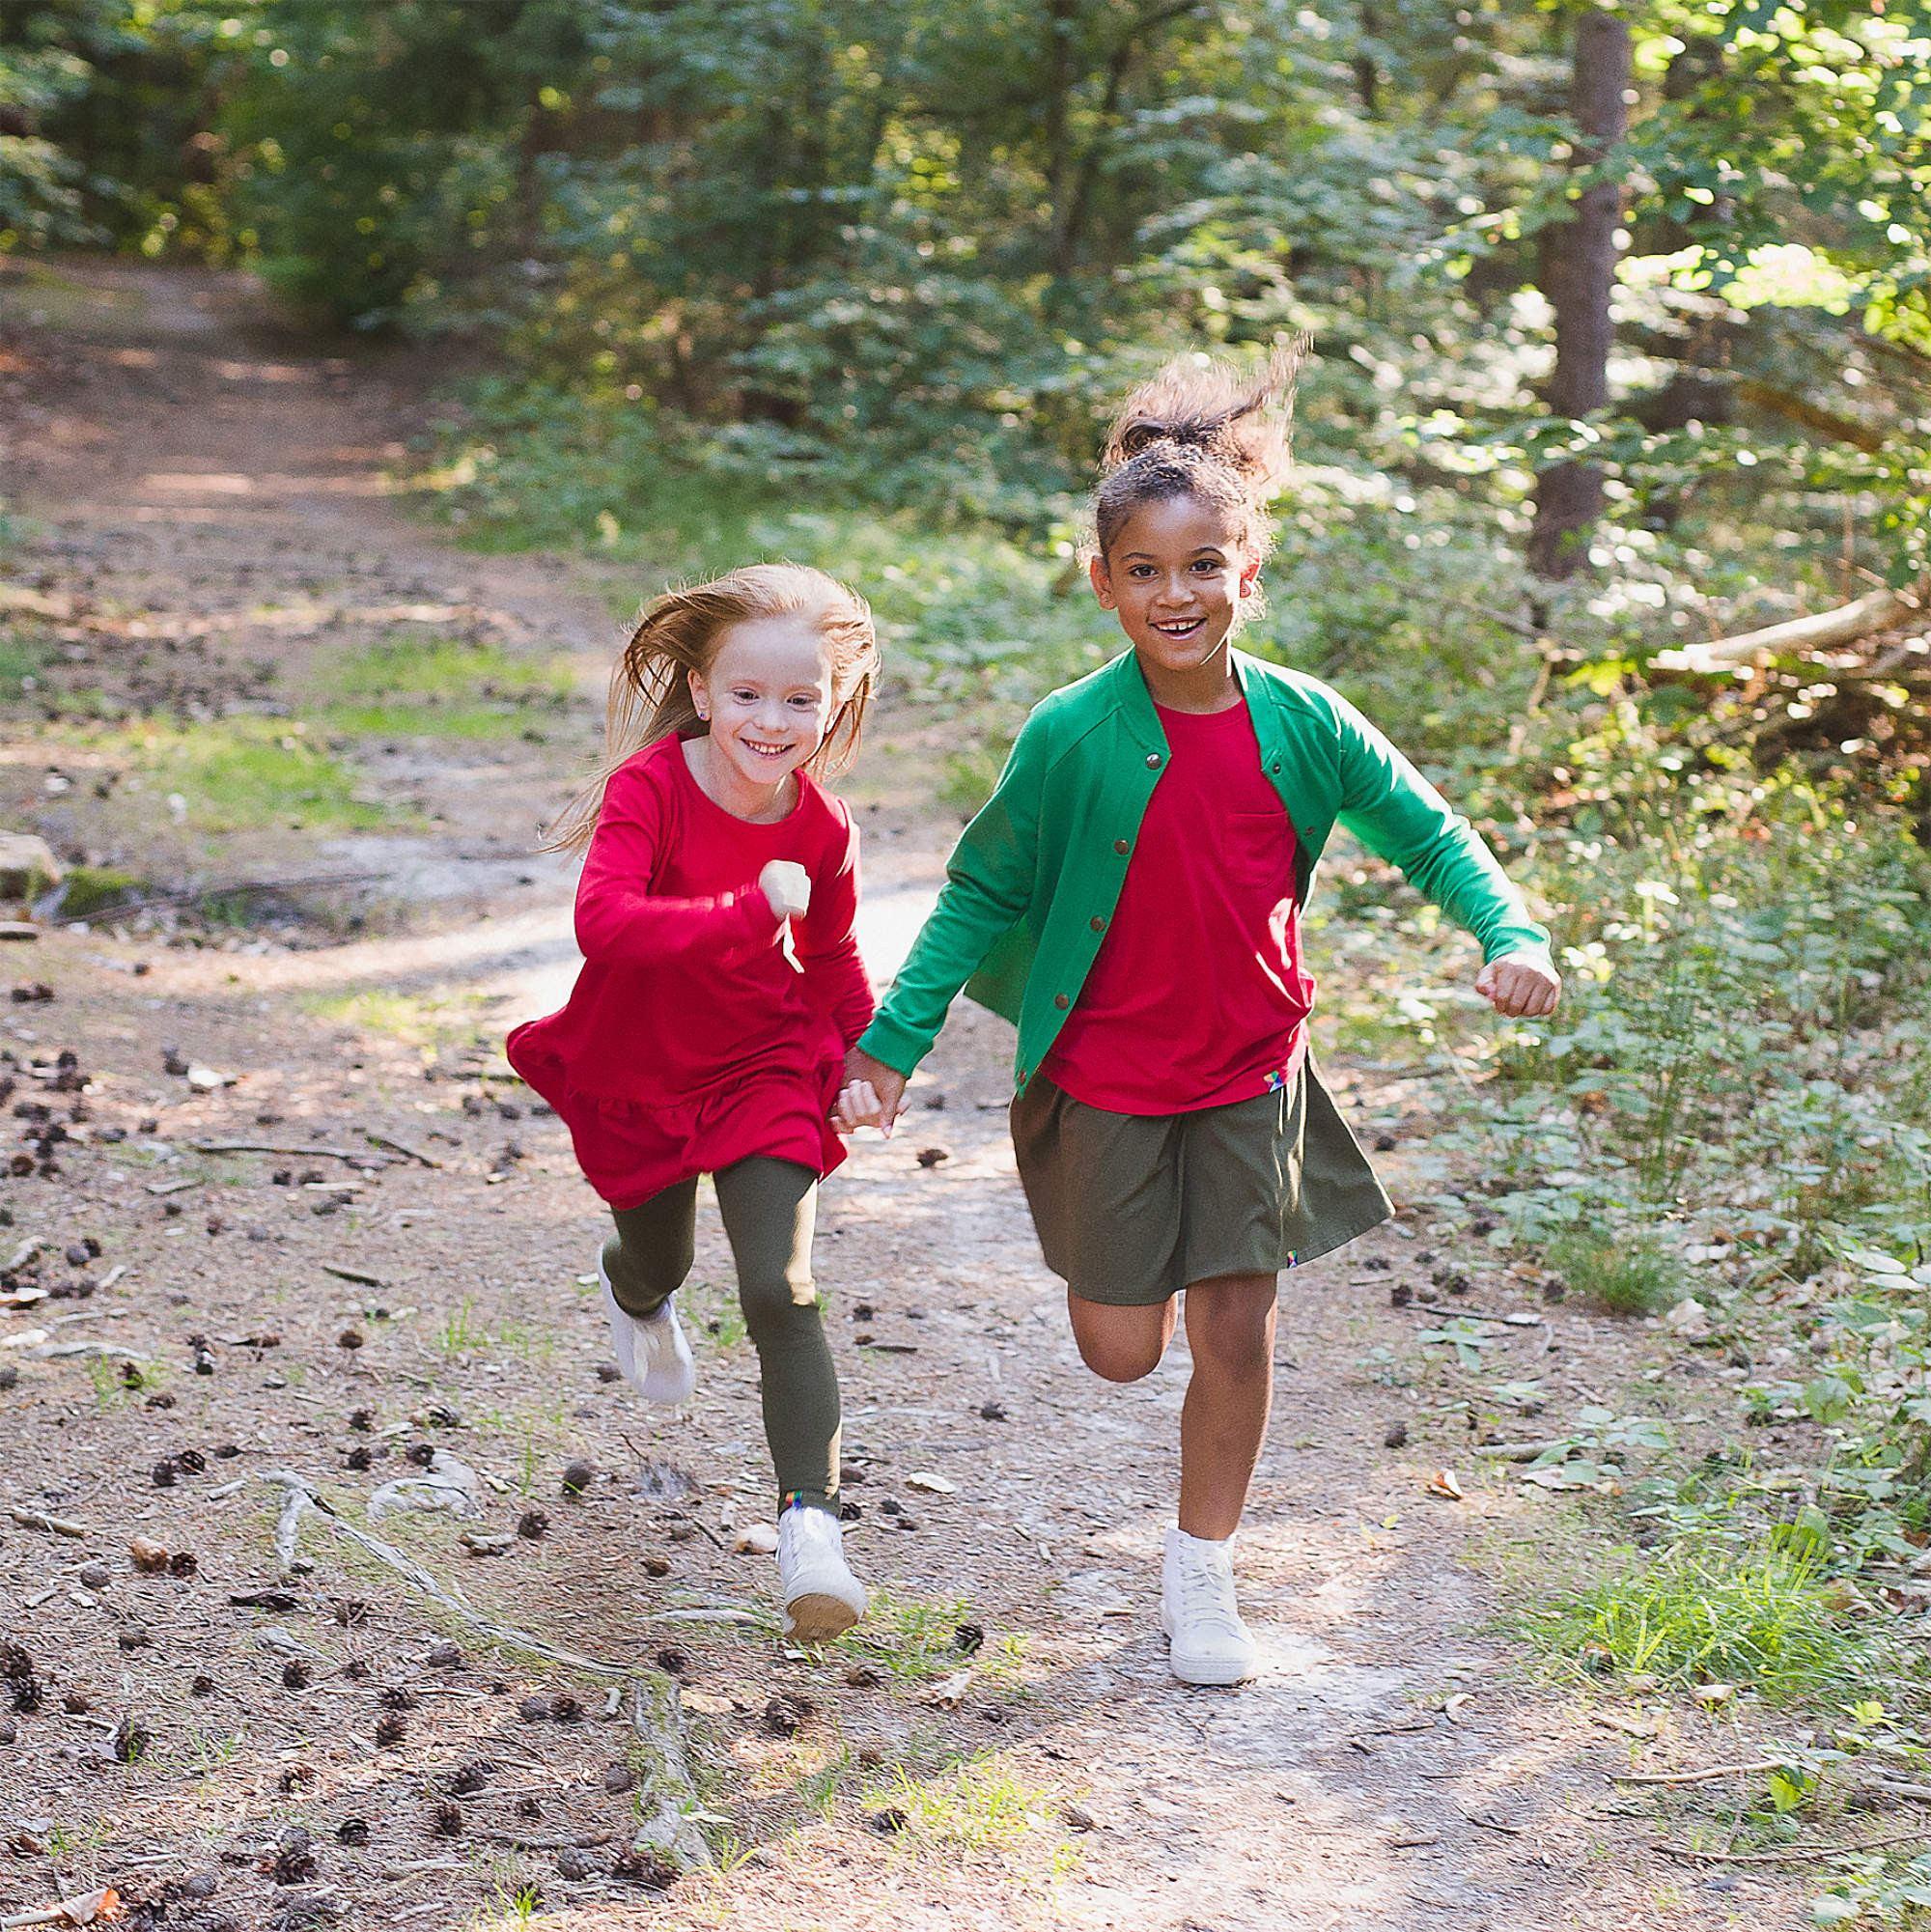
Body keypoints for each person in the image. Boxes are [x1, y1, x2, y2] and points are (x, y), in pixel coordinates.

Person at [839, 345, 1560, 1685]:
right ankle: (1137, 1293)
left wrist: (1509, 929)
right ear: (1103, 583)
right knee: (1121, 1351)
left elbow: (1434, 835)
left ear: (1248, 571)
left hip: (1249, 1070)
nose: (1179, 594)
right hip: (1106, 1080)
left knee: (1239, 1324)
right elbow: (979, 892)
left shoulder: (1307, 720)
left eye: (1203, 566)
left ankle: (1202, 1570)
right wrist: (890, 1046)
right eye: (1148, 571)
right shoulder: (1070, 732)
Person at [509, 563, 886, 1641]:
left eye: (800, 700)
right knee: (660, 1258)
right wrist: (737, 912)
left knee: (781, 1287)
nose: (771, 722)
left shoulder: (819, 825)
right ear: (704, 689)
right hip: (640, 1061)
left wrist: (864, 1060)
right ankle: (633, 1293)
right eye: (747, 696)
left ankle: (811, 1533)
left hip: (766, 1062)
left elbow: (831, 952)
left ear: (835, 699)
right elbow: (606, 925)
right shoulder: (650, 791)